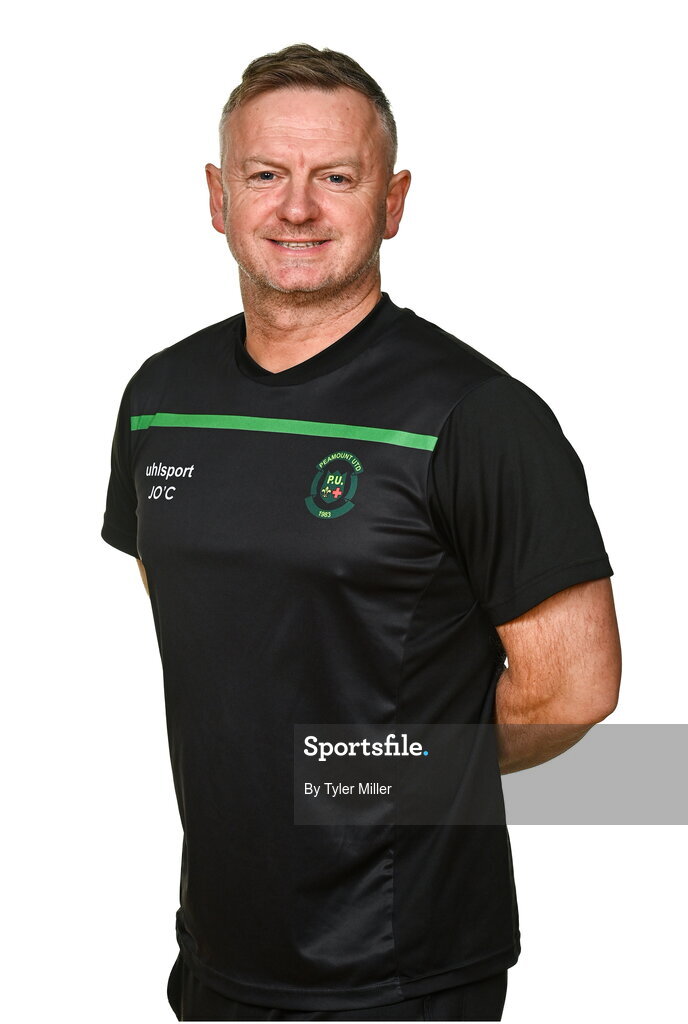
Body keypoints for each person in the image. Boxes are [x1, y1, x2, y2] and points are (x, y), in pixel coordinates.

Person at [101, 43, 622, 1022]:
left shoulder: (477, 414)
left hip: (399, 969)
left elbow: (574, 686)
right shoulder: (161, 399)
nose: (296, 207)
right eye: (266, 174)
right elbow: (212, 625)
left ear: (392, 200)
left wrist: (369, 771)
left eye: (335, 177)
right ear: (219, 196)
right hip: (215, 949)